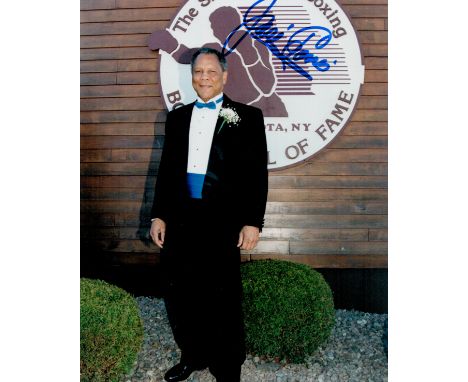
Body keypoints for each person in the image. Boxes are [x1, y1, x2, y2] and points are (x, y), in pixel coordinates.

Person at [149, 47, 268, 382]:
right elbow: (167, 171)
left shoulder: (248, 117)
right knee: (183, 292)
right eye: (198, 72)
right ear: (192, 77)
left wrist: (252, 221)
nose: (204, 78)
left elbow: (256, 174)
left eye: (211, 72)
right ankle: (193, 355)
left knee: (222, 296)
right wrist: (160, 215)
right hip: (182, 218)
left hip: (223, 221)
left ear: (225, 76)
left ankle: (228, 366)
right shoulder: (177, 117)